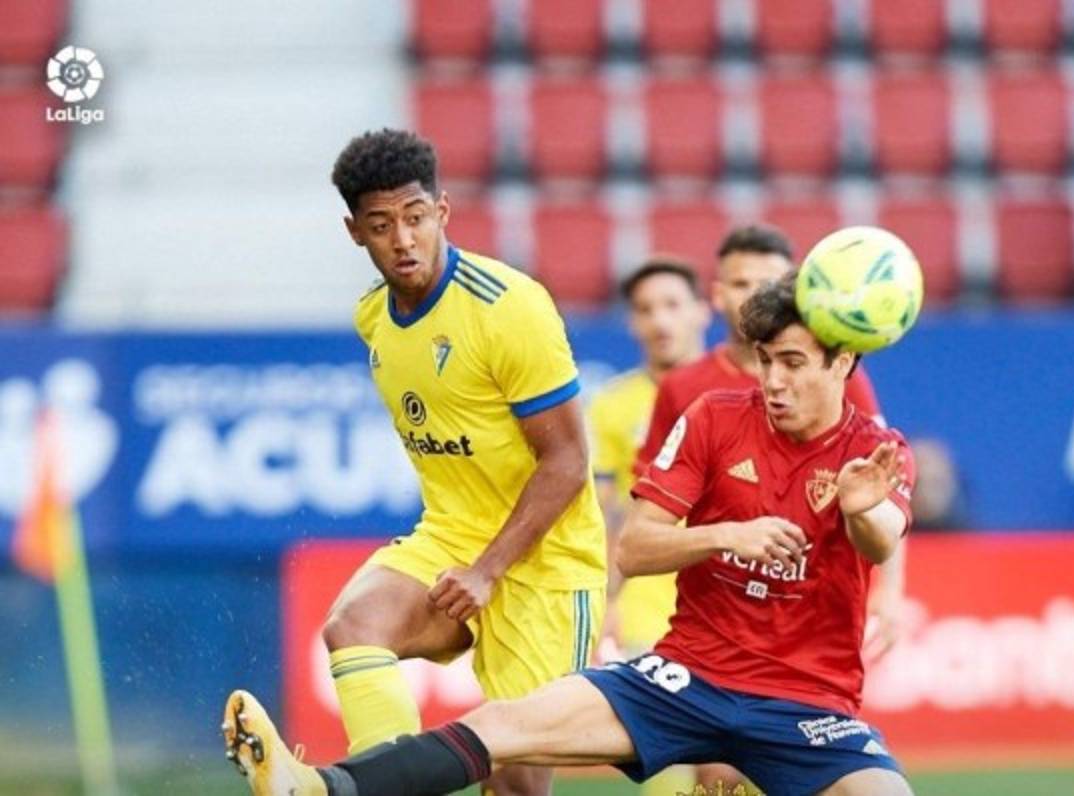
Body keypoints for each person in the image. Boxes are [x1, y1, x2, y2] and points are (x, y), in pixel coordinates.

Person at [223, 271, 917, 796]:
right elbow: (636, 548)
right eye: (765, 359)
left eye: (793, 363)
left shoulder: (874, 451)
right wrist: (724, 536)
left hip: (807, 704)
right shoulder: (713, 416)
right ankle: (319, 788)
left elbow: (882, 540)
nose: (774, 379)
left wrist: (861, 507)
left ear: (842, 363)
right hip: (685, 679)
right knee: (505, 728)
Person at [295, 128, 606, 796]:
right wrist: (468, 559)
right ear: (355, 233)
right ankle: (378, 788)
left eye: (414, 218)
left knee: (517, 783)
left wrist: (489, 571)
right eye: (381, 226)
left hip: (546, 562)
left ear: (442, 210)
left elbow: (568, 462)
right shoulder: (373, 318)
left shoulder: (510, 308)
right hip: (450, 534)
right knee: (353, 629)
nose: (403, 240)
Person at [634, 225, 908, 752]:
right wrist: (612, 597)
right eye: (739, 282)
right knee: (695, 761)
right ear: (718, 294)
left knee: (731, 768)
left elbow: (879, 484)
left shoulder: (843, 382)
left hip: (794, 630)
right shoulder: (691, 392)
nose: (752, 294)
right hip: (685, 595)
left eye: (769, 281)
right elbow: (644, 511)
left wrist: (890, 593)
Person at [587, 257, 710, 796]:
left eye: (671, 306)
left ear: (703, 312)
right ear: (632, 323)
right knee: (665, 764)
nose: (660, 321)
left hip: (731, 596)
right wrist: (606, 602)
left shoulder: (747, 390)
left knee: (735, 768)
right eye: (644, 310)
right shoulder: (612, 407)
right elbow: (605, 514)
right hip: (646, 599)